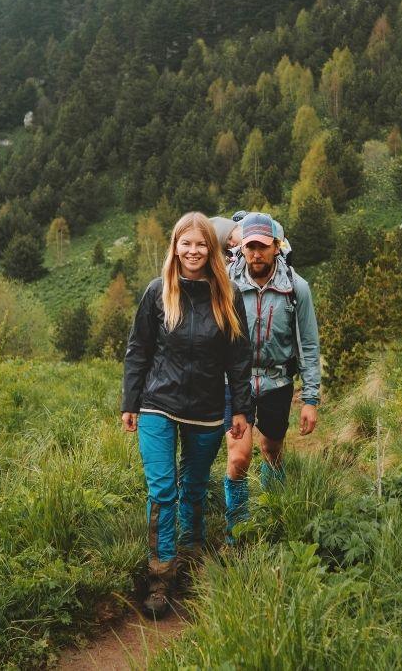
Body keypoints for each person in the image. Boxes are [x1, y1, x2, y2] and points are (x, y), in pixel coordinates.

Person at [121, 212, 252, 618]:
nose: (193, 251)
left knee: (194, 488)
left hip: (208, 411)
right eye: (186, 243)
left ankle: (190, 556)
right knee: (162, 488)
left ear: (211, 250)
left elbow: (239, 359)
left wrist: (242, 409)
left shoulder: (226, 296)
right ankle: (160, 575)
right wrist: (130, 402)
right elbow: (138, 349)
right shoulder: (157, 292)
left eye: (200, 245)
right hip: (158, 403)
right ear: (175, 247)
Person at [222, 211, 321, 541]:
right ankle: (239, 531)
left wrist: (310, 398)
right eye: (250, 247)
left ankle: (273, 510)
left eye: (263, 247)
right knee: (238, 458)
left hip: (278, 382)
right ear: (243, 248)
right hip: (236, 383)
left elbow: (308, 343)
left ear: (276, 247)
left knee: (272, 451)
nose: (256, 254)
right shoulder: (227, 284)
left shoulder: (296, 288)